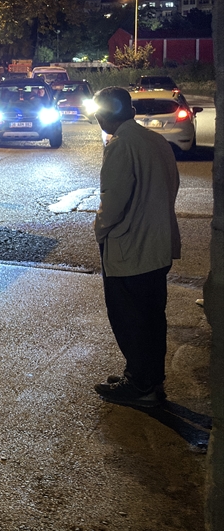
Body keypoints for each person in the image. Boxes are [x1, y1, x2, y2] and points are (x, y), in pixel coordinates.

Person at [92, 86, 181, 408]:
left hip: (130, 249)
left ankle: (141, 386)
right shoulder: (156, 141)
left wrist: (100, 231)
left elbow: (112, 203)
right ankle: (147, 378)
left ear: (104, 117)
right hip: (158, 244)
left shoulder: (121, 146)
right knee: (152, 318)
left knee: (130, 319)